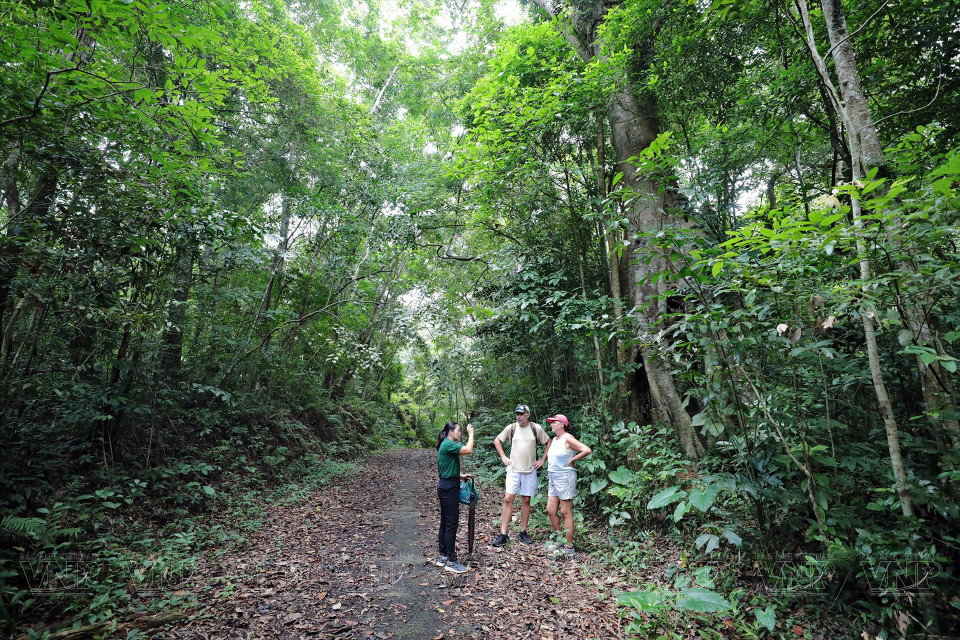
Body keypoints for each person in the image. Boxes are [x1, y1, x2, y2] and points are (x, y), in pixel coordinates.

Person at [491, 404, 550, 547]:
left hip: (530, 469)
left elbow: (549, 442)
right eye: (517, 414)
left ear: (528, 414)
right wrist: (503, 457)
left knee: (526, 499)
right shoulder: (511, 428)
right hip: (513, 469)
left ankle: (523, 532)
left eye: (522, 414)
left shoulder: (536, 428)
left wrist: (542, 460)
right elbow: (497, 440)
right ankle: (503, 534)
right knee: (508, 498)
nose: (519, 416)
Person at [543, 413, 591, 556]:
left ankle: (569, 547)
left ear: (562, 424)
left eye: (554, 422)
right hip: (553, 476)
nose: (551, 425)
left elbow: (586, 450)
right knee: (551, 510)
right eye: (551, 422)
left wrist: (572, 460)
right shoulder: (555, 439)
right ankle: (560, 539)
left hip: (565, 476)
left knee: (565, 511)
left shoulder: (568, 438)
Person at [436, 421, 474, 573]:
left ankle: (443, 555)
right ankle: (451, 561)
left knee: (445, 522)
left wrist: (459, 476)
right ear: (450, 432)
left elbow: (445, 468)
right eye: (458, 430)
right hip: (448, 489)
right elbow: (468, 449)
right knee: (451, 523)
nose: (460, 433)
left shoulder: (445, 444)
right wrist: (471, 433)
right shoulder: (448, 444)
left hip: (447, 484)